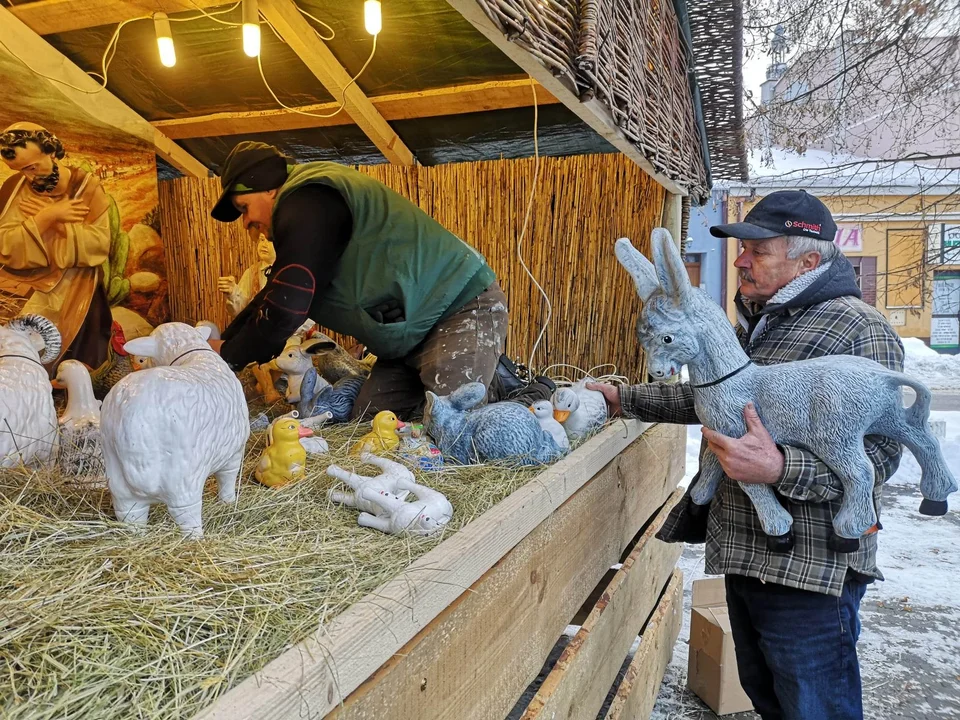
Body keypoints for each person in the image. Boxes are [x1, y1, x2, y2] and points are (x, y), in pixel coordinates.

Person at [590, 190, 903, 720]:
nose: (740, 261)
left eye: (757, 250)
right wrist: (623, 398)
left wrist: (781, 468)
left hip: (811, 568)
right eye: (743, 249)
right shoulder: (759, 322)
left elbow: (885, 452)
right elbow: (713, 402)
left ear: (808, 259)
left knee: (813, 707)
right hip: (746, 553)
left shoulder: (857, 328)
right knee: (769, 700)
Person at [208, 141, 550, 418]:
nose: (247, 223)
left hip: (457, 310)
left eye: (243, 208)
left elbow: (287, 306)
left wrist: (232, 355)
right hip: (408, 340)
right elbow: (275, 294)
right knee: (368, 420)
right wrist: (224, 344)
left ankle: (521, 389)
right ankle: (477, 375)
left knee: (453, 423)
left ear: (267, 188)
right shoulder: (305, 213)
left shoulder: (307, 201)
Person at [0, 122, 112, 373]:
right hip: (19, 277)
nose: (28, 177)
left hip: (71, 280)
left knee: (50, 342)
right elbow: (4, 244)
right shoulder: (13, 188)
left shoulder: (87, 188)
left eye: (31, 167)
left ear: (51, 152)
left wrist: (58, 225)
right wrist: (45, 218)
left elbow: (99, 244)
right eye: (18, 170)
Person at [218, 233, 276, 320]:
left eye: (269, 241)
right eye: (262, 240)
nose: (264, 245)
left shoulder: (292, 272)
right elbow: (241, 312)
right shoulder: (252, 273)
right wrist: (233, 293)